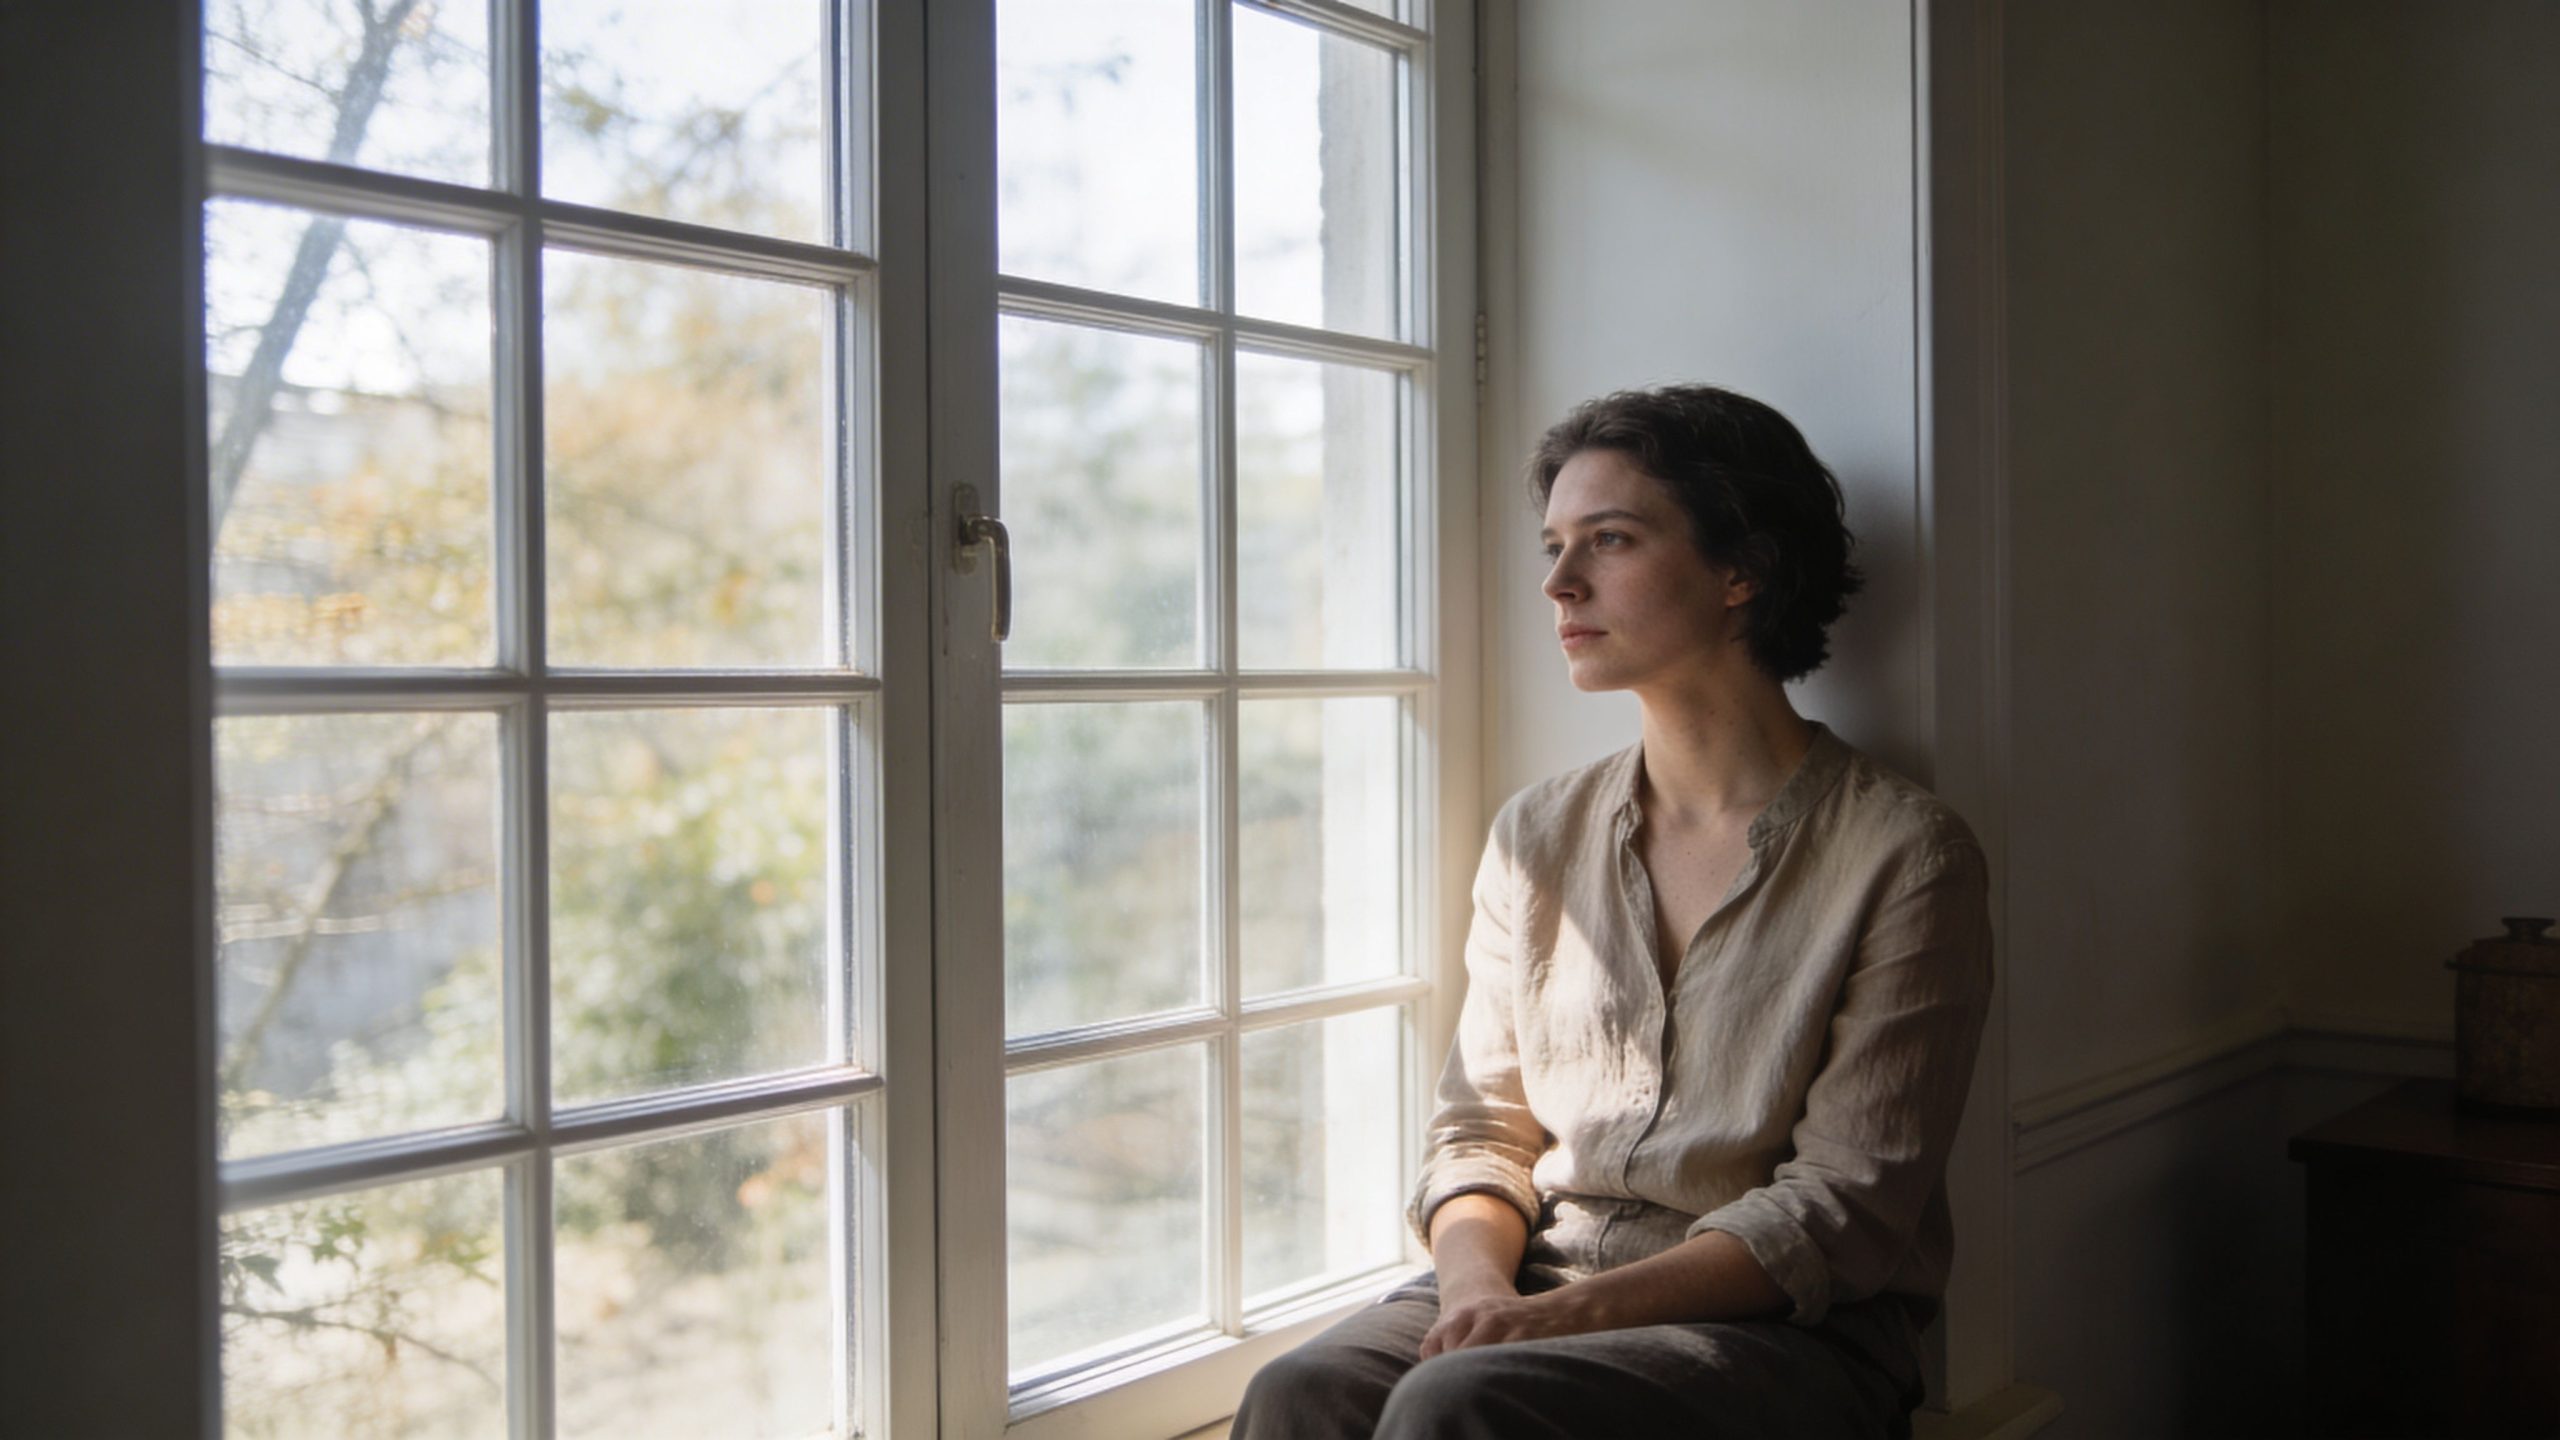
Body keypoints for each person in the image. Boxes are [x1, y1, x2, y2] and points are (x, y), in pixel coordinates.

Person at [1230, 384, 1994, 1439]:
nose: (1559, 582)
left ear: (1742, 570)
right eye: (1554, 545)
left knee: (1461, 1403)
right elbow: (1480, 1130)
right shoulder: (1536, 836)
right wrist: (1476, 1299)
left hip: (1790, 1330)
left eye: (1611, 539)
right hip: (1538, 1273)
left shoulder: (1906, 855)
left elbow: (1841, 1210)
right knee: (1300, 1390)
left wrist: (1551, 1323)